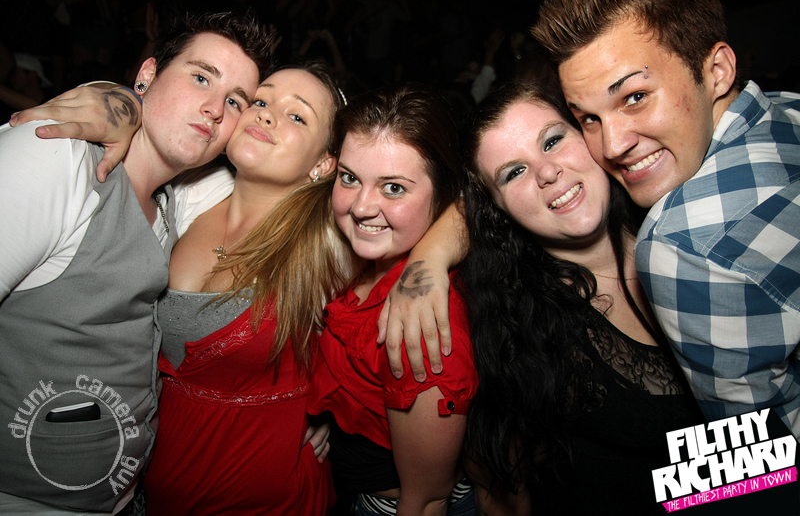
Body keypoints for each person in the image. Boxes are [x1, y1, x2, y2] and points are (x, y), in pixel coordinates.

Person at [0, 12, 271, 514]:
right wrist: (115, 96)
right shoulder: (57, 161)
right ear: (147, 74)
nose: (214, 109)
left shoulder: (181, 200)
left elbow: (302, 196)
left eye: (235, 101)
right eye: (201, 77)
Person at [531, 0, 800, 440]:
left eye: (634, 97)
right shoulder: (786, 108)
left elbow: (757, 458)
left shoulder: (680, 243)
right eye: (589, 118)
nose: (612, 145)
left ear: (717, 70)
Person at [459, 81, 703, 514]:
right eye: (514, 172)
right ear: (498, 210)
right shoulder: (520, 336)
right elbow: (502, 495)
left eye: (552, 141)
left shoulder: (694, 224)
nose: (547, 172)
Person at [139, 62, 351, 515]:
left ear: (323, 163)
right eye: (260, 100)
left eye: (297, 116)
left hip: (268, 499)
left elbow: (436, 200)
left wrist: (338, 412)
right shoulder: (190, 193)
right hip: (153, 485)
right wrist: (110, 100)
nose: (267, 114)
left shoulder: (331, 240)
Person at [307, 83, 478, 516]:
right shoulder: (364, 260)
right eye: (350, 178)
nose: (362, 206)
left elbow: (427, 498)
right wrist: (331, 419)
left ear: (444, 194)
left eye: (394, 188)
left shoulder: (420, 323)